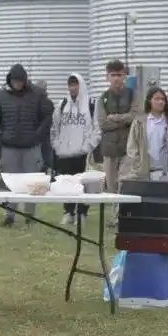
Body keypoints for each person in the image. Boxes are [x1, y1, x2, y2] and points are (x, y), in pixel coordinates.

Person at [0, 64, 53, 226]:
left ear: (25, 81)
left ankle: (30, 216)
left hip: (31, 147)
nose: (17, 84)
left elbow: (48, 116)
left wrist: (37, 135)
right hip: (9, 147)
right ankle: (10, 215)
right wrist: (1, 135)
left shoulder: (37, 94)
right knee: (11, 182)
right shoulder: (2, 95)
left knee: (32, 182)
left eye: (20, 81)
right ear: (10, 80)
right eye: (14, 81)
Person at [50, 73, 100, 225]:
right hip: (65, 153)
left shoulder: (91, 104)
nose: (72, 88)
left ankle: (82, 213)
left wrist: (88, 146)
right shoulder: (62, 104)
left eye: (75, 84)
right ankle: (68, 212)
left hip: (83, 153)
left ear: (81, 85)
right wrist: (57, 146)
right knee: (67, 184)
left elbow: (97, 128)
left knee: (83, 184)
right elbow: (54, 127)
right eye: (70, 85)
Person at [96, 59, 136, 223]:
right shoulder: (103, 98)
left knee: (124, 182)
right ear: (107, 77)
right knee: (111, 185)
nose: (116, 78)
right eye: (113, 75)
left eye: (119, 75)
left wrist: (115, 117)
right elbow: (102, 123)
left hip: (128, 146)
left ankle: (124, 216)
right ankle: (115, 216)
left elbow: (135, 116)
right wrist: (124, 120)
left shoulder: (132, 94)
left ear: (125, 75)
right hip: (109, 148)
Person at [124, 86, 168, 180]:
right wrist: (138, 163)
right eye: (156, 99)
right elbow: (132, 145)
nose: (160, 102)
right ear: (149, 100)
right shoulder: (140, 122)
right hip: (143, 170)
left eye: (163, 99)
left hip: (165, 170)